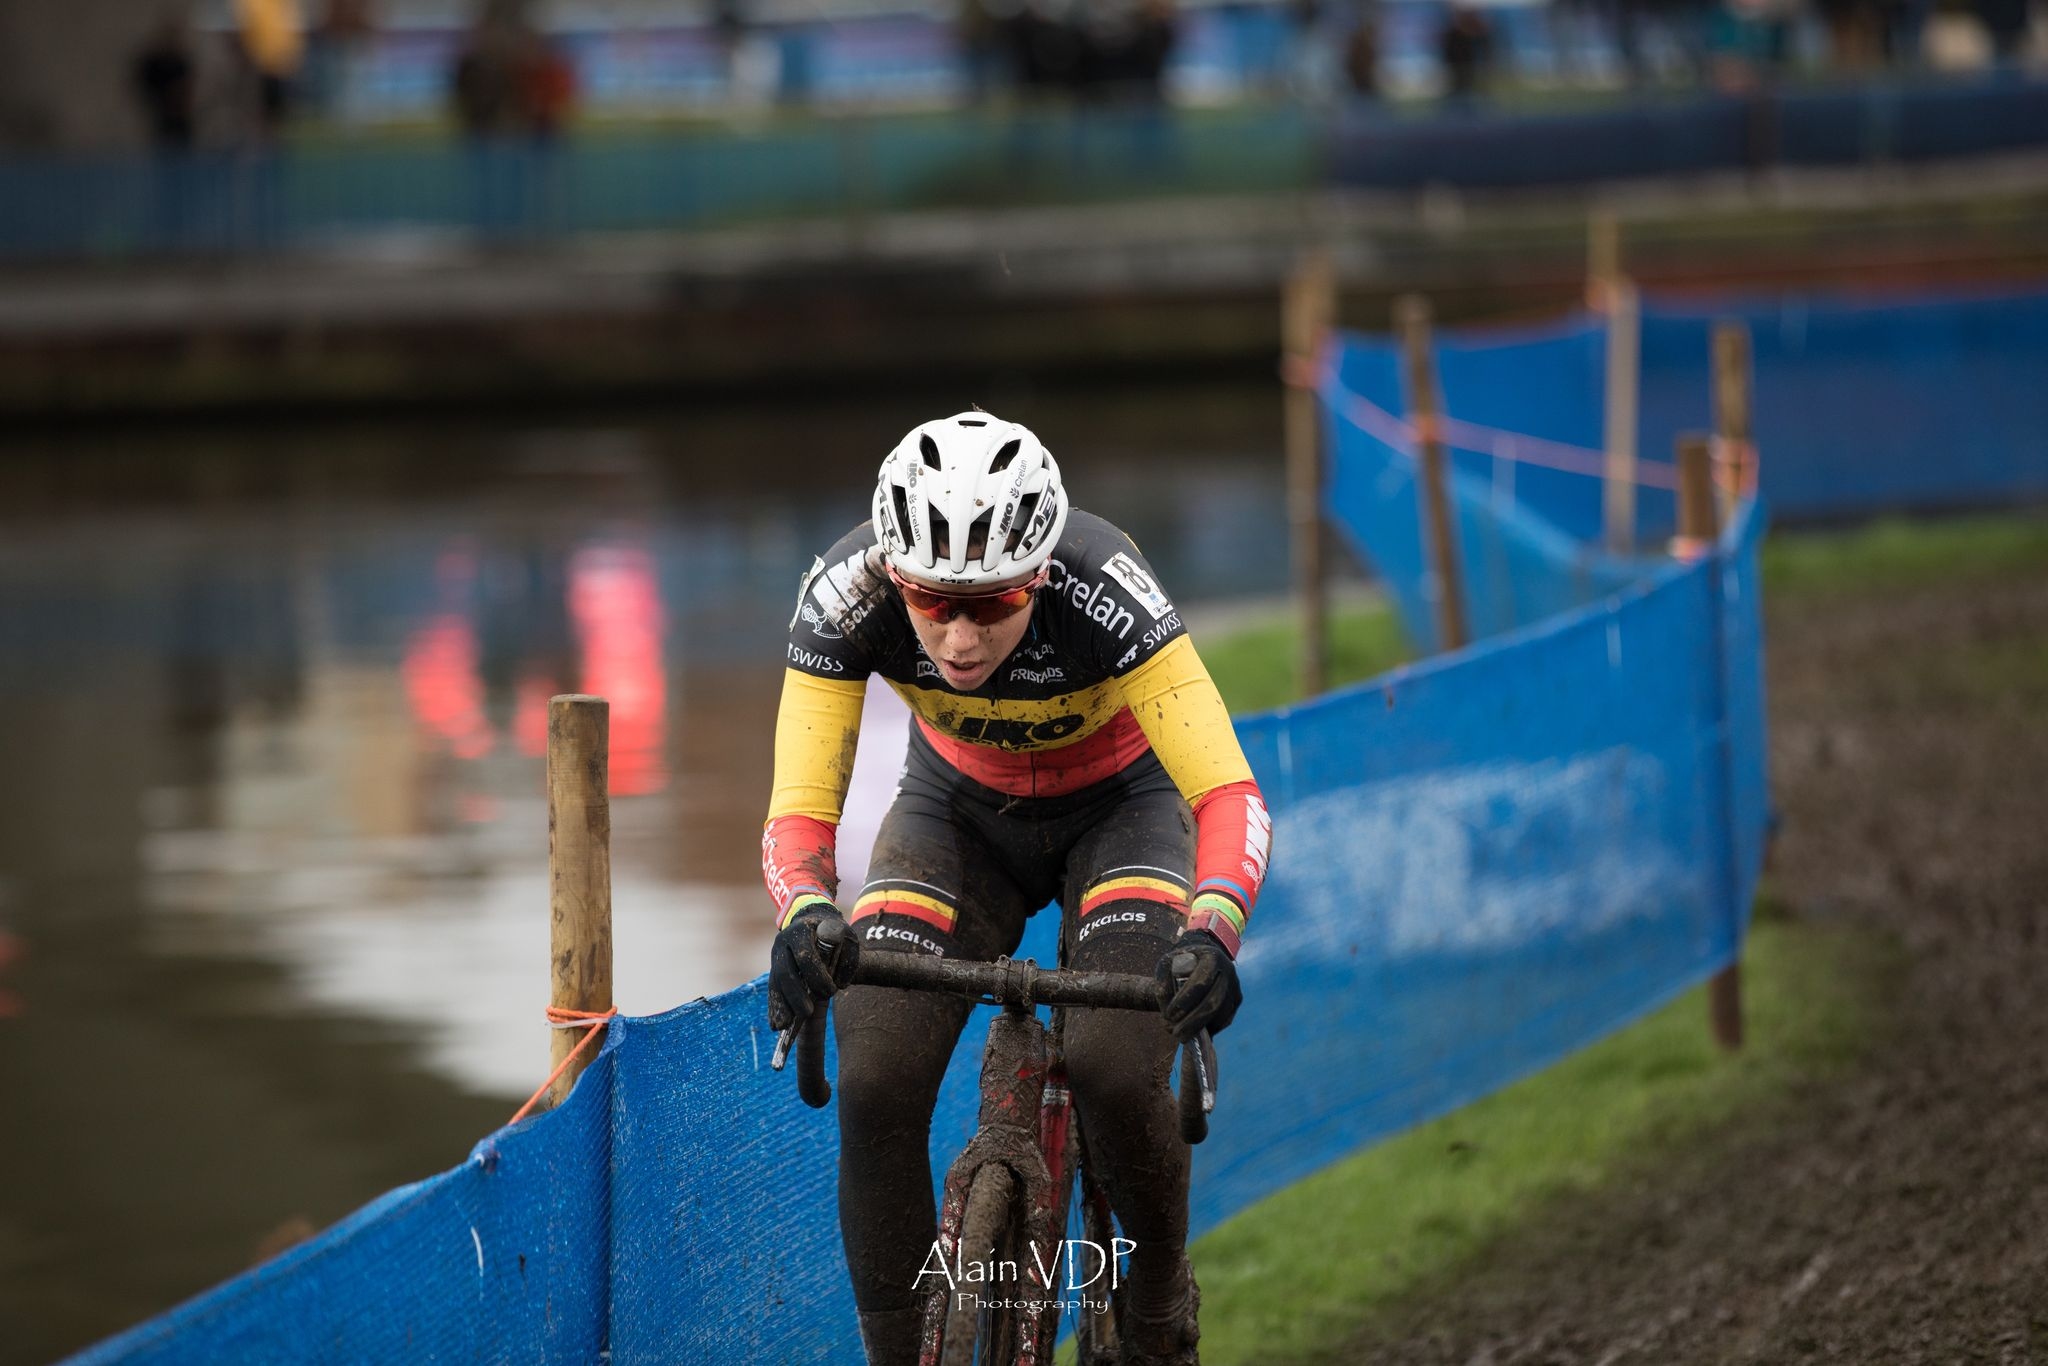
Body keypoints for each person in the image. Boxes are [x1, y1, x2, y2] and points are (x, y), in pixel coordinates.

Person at [762, 414, 1271, 1365]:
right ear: (894, 575)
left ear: (1038, 574)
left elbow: (1227, 794)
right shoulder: (844, 593)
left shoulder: (1103, 582)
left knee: (1115, 1064)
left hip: (1123, 805)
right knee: (875, 1076)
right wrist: (805, 911)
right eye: (930, 600)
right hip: (954, 814)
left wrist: (1213, 930)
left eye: (993, 604)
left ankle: (1156, 1306)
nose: (959, 638)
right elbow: (799, 811)